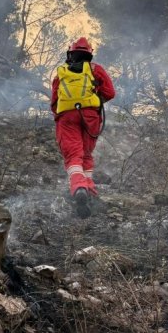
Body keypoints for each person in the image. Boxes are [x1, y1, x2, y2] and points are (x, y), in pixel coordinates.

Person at [51, 37, 115, 218]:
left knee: (73, 155)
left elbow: (54, 102)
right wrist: (94, 100)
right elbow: (110, 92)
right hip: (90, 116)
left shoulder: (61, 73)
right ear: (89, 54)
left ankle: (79, 187)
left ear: (70, 54)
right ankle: (89, 188)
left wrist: (63, 115)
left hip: (67, 117)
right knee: (86, 153)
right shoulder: (96, 69)